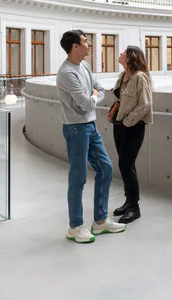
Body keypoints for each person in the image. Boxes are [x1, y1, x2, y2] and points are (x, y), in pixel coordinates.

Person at [56, 30, 125, 244]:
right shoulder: (67, 73)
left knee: (106, 169)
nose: (90, 45)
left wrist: (93, 96)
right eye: (86, 42)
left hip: (90, 126)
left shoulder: (84, 66)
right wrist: (94, 97)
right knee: (78, 178)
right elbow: (86, 104)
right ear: (75, 46)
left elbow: (98, 90)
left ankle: (100, 220)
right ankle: (75, 226)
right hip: (76, 129)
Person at [111, 46, 154, 224]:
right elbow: (121, 99)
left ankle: (134, 207)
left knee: (125, 165)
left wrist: (128, 122)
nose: (120, 54)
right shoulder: (123, 76)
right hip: (120, 125)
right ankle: (129, 202)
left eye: (123, 53)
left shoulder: (140, 77)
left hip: (133, 127)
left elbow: (145, 104)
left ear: (130, 58)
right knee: (126, 166)